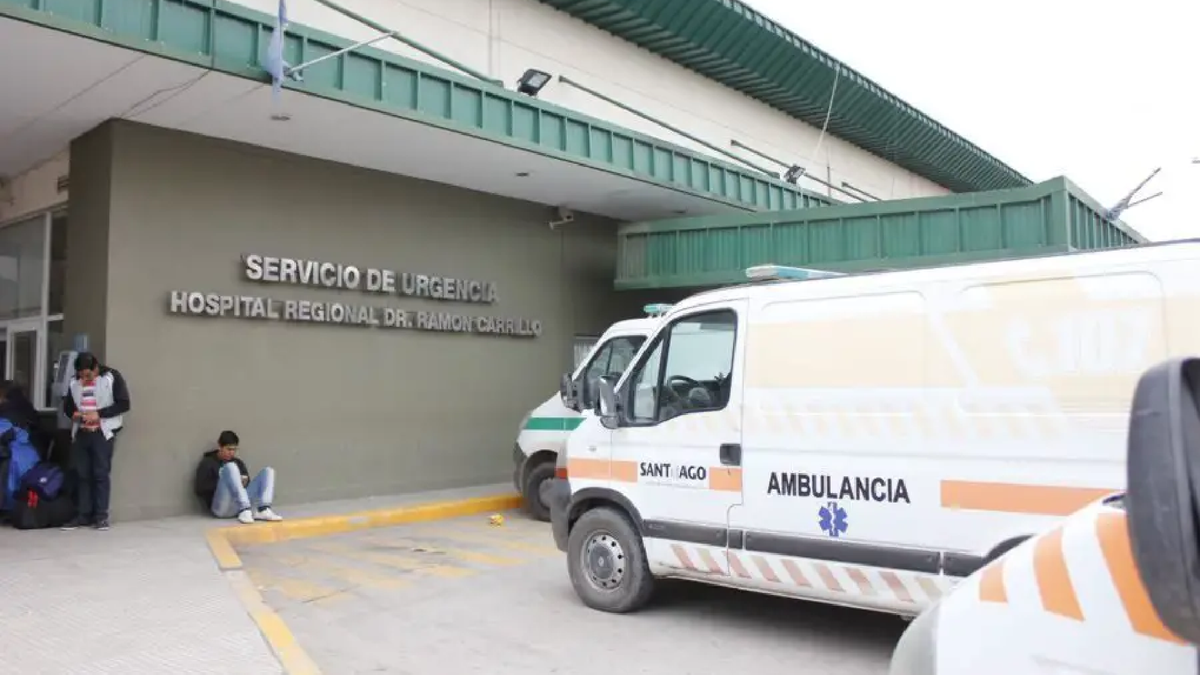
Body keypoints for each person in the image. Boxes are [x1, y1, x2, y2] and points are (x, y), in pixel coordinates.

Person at [59, 352, 131, 531]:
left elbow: (124, 404)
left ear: (96, 367)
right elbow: (68, 406)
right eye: (81, 376)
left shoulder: (111, 377)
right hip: (82, 432)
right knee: (82, 474)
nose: (85, 379)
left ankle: (101, 516)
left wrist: (99, 414)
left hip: (102, 432)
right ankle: (83, 515)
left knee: (100, 474)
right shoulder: (74, 382)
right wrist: (74, 414)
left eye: (88, 375)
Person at [193, 430, 283, 524]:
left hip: (238, 507)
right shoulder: (208, 462)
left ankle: (264, 508)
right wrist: (225, 482)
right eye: (229, 449)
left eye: (234, 449)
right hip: (221, 507)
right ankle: (244, 508)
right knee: (230, 467)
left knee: (268, 471)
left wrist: (242, 483)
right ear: (220, 446)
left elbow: (247, 486)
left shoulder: (238, 462)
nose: (231, 453)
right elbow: (199, 488)